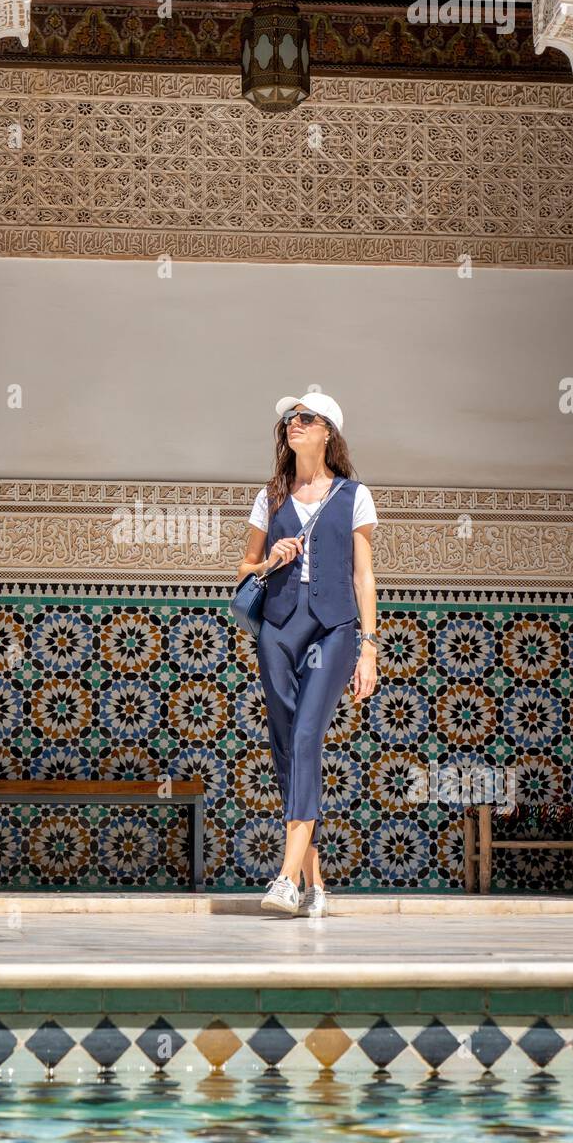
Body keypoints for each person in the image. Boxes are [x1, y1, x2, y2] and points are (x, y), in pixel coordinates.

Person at [236, 390, 379, 919]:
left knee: (305, 737)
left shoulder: (354, 495)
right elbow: (244, 569)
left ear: (328, 432)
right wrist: (270, 560)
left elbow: (363, 576)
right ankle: (314, 882)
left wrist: (369, 647)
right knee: (285, 746)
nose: (293, 423)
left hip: (334, 629)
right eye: (290, 419)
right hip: (277, 629)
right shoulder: (270, 496)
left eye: (306, 417)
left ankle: (285, 878)